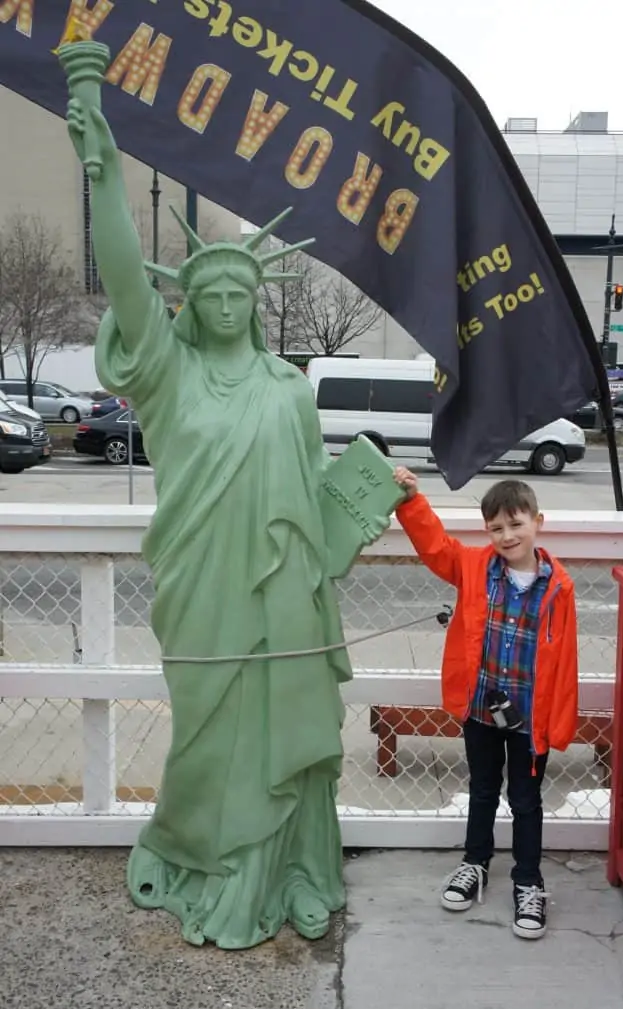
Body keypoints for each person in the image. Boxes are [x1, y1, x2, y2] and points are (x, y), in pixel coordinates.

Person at [63, 92, 387, 950]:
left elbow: (309, 490)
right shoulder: (167, 376)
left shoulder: (288, 388)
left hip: (286, 589)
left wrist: (358, 504)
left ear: (256, 298)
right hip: (202, 582)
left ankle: (293, 873)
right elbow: (129, 279)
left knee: (286, 724)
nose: (227, 304)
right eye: (210, 294)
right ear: (192, 306)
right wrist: (103, 170)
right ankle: (203, 858)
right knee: (206, 734)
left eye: (240, 292)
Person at [393, 468, 578, 940]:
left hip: (528, 720)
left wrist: (558, 724)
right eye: (496, 527)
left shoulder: (559, 587)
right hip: (481, 708)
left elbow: (565, 663)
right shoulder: (474, 568)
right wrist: (411, 501)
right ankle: (474, 862)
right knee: (481, 789)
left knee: (525, 800)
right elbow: (435, 546)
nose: (507, 535)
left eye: (516, 524)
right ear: (486, 532)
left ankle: (528, 881)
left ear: (538, 521)